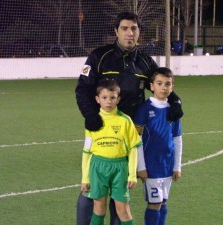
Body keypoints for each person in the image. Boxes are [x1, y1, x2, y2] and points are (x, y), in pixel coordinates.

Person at [75, 11, 183, 225]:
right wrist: (90, 116)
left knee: (120, 190)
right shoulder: (99, 56)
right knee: (91, 190)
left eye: (134, 28)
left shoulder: (145, 61)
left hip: (129, 133)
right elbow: (82, 90)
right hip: (101, 130)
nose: (129, 33)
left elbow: (162, 84)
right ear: (116, 31)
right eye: (124, 28)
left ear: (139, 32)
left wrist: (176, 102)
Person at [81, 79, 141, 225]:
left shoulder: (125, 121)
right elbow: (87, 151)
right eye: (104, 97)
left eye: (112, 98)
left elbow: (133, 148)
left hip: (120, 167)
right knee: (99, 208)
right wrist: (85, 178)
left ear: (118, 99)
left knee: (123, 209)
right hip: (98, 167)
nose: (108, 101)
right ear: (97, 99)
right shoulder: (93, 121)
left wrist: (132, 174)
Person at [133, 67, 183, 225]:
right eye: (159, 83)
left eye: (168, 84)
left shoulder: (173, 110)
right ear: (152, 86)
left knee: (163, 202)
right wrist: (141, 166)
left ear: (172, 87)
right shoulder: (144, 110)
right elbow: (137, 140)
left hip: (167, 165)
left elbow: (177, 138)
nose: (164, 87)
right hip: (151, 165)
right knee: (154, 204)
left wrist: (177, 166)